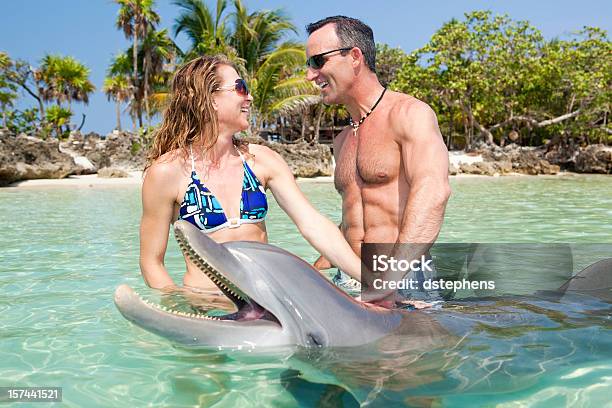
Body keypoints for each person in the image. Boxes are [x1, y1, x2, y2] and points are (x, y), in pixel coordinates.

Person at [139, 55, 361, 294]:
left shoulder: (261, 160)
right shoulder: (167, 172)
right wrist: (180, 304)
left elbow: (313, 224)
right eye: (240, 88)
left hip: (264, 302)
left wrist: (367, 278)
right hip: (206, 308)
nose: (250, 97)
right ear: (210, 98)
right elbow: (151, 262)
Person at [305, 16, 451, 304]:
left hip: (403, 277)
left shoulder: (409, 114)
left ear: (355, 57)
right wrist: (315, 272)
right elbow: (354, 215)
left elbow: (433, 193)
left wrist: (389, 281)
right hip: (349, 278)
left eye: (318, 61)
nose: (311, 75)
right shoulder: (342, 139)